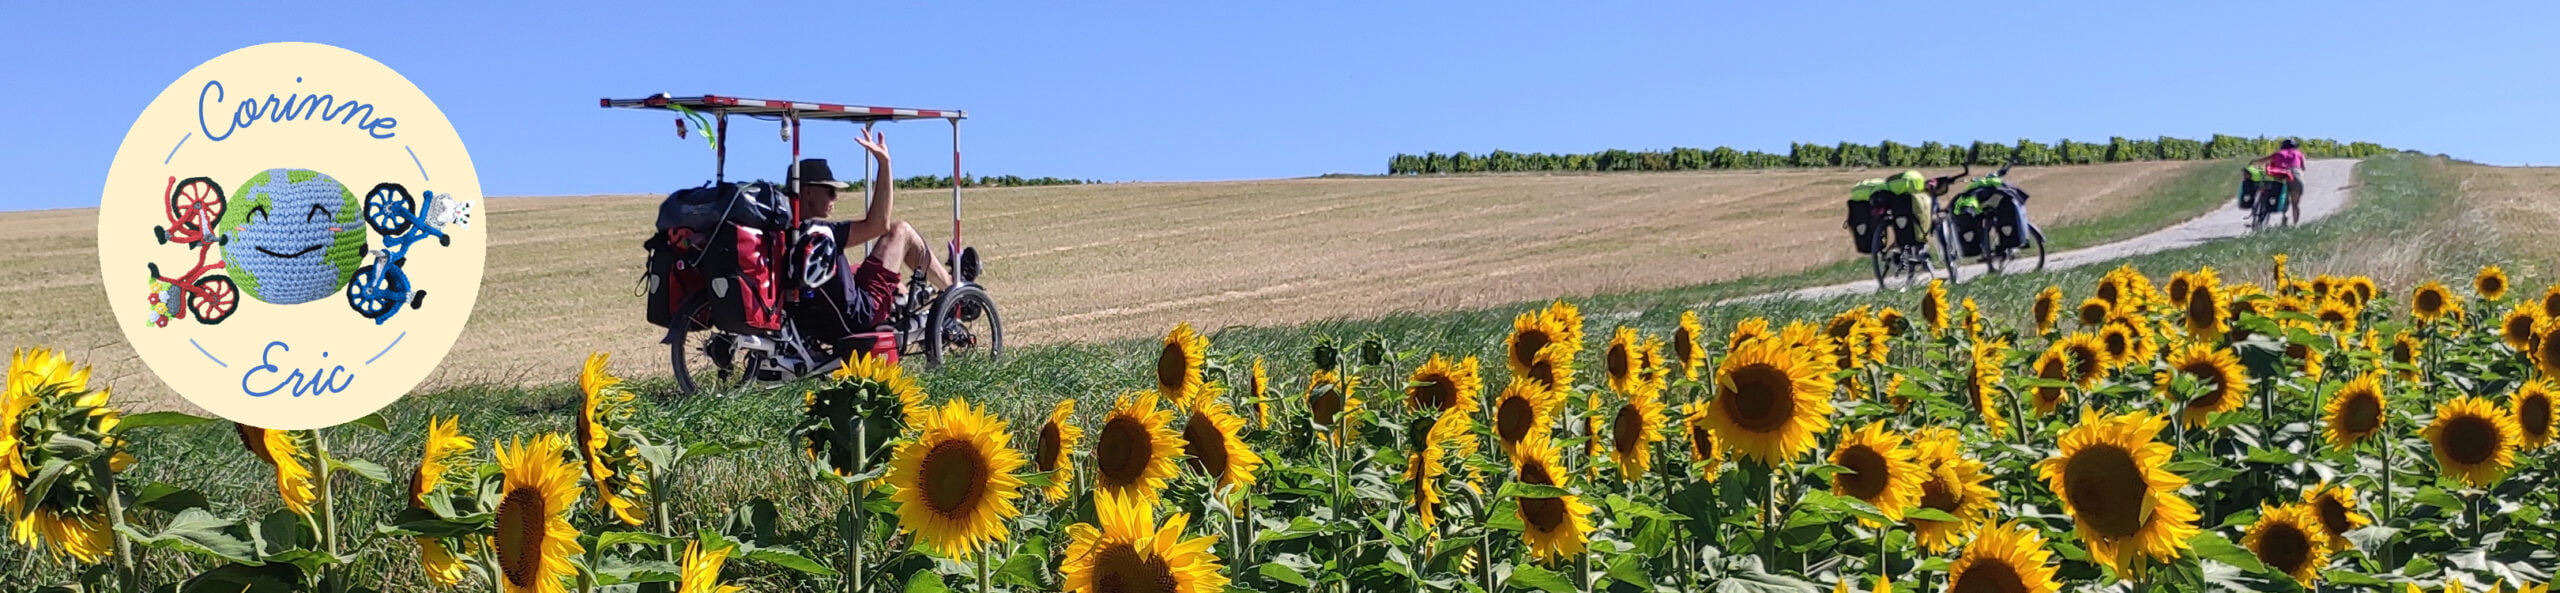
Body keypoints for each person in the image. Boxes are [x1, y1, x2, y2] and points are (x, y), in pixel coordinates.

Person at [788, 130, 955, 353]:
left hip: (810, 322)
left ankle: (908, 297)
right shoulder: (820, 234)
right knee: (900, 230)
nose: (835, 197)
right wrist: (885, 164)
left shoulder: (783, 231)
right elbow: (879, 225)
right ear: (807, 193)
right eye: (830, 191)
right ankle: (955, 294)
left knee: (864, 269)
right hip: (856, 316)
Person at [2248, 139, 2309, 225]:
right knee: (2295, 204)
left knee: (2282, 198)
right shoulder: (2299, 153)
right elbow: (2304, 167)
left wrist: (2253, 162)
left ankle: (2284, 216)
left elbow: (2262, 161)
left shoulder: (2278, 153)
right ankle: (2295, 224)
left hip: (2281, 176)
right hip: (2296, 176)